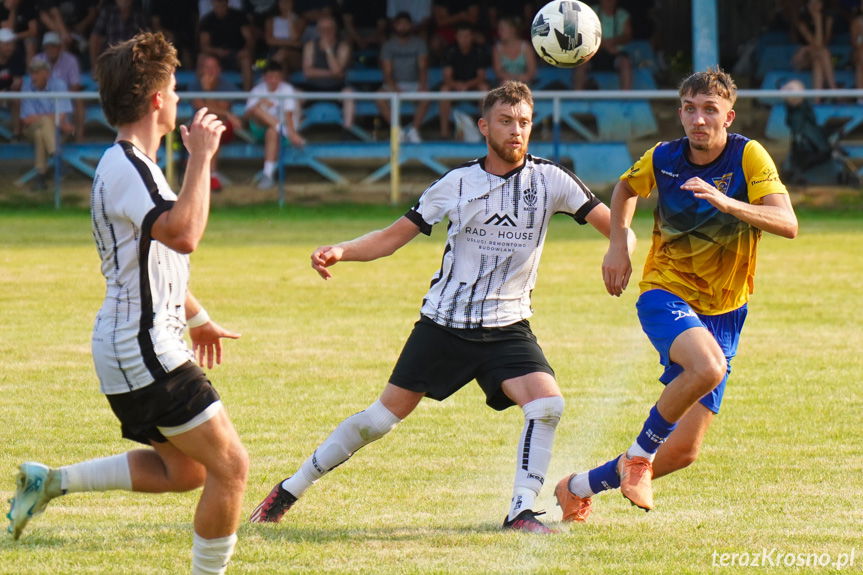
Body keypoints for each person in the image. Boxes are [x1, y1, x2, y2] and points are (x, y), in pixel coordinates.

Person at [249, 80, 619, 534]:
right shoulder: (457, 183)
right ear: (484, 127)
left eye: (524, 122)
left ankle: (520, 511)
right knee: (379, 421)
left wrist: (620, 249)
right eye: (505, 121)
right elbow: (391, 238)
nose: (516, 131)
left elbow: (615, 225)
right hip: (445, 325)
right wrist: (342, 250)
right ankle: (290, 488)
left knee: (547, 405)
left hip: (507, 327)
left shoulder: (551, 180)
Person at [6, 32, 249, 575]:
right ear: (158, 99)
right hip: (142, 345)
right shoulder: (129, 167)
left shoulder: (130, 164)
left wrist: (198, 317)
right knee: (231, 467)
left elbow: (152, 262)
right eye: (175, 88)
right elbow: (183, 234)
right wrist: (201, 159)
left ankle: (51, 482)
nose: (179, 98)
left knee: (186, 472)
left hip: (132, 343)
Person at [554, 67, 798, 523]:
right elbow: (626, 187)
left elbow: (788, 223)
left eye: (710, 110)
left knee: (684, 451)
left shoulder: (748, 156)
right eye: (689, 109)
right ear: (680, 113)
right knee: (708, 367)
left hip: (726, 311)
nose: (698, 119)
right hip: (666, 292)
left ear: (728, 116)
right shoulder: (663, 156)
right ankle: (640, 456)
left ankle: (577, 487)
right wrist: (618, 244)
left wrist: (728, 202)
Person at [244, 59, 305, 189]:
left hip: (278, 133)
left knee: (272, 131)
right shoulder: (257, 90)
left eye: (276, 77)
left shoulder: (287, 89)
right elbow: (247, 116)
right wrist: (260, 103)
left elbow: (288, 115)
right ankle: (284, 131)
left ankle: (267, 175)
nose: (273, 80)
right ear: (264, 77)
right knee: (256, 110)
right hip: (259, 128)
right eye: (270, 77)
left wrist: (290, 130)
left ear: (281, 77)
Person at [20, 57, 74, 191]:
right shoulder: (26, 87)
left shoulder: (59, 85)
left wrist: (44, 119)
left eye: (36, 72)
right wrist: (50, 118)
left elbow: (62, 115)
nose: (33, 77)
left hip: (56, 130)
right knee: (44, 123)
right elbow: (27, 120)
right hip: (32, 129)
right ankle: (57, 156)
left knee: (40, 134)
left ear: (46, 73)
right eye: (32, 73)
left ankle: (40, 178)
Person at [190, 54, 243, 191]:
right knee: (208, 129)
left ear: (219, 69)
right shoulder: (195, 85)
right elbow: (202, 108)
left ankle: (212, 176)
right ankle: (210, 176)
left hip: (223, 129)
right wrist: (227, 114)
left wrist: (207, 91)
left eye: (213, 67)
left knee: (214, 128)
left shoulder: (226, 85)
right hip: (199, 128)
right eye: (207, 67)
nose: (210, 71)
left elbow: (217, 112)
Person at [377, 10, 429, 143]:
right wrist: (394, 88)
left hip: (414, 83)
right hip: (393, 84)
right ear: (394, 26)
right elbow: (387, 72)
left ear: (411, 25)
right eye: (399, 24)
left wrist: (422, 86)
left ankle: (414, 131)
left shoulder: (419, 43)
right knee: (379, 97)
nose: (403, 27)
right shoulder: (388, 45)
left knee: (426, 95)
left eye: (406, 24)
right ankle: (398, 131)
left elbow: (422, 67)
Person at [299, 14, 355, 130]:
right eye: (323, 29)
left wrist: (329, 50)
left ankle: (348, 130)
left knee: (349, 93)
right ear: (318, 31)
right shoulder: (310, 46)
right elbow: (308, 72)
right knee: (294, 94)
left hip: (336, 88)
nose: (326, 31)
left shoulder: (343, 46)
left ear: (335, 30)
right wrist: (332, 74)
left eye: (330, 28)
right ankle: (295, 131)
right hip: (313, 88)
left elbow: (337, 70)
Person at [439, 23, 489, 139]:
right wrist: (457, 85)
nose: (464, 39)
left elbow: (481, 77)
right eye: (461, 36)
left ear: (472, 37)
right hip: (454, 87)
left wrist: (467, 85)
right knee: (444, 89)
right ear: (456, 37)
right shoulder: (450, 51)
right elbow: (447, 77)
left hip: (473, 86)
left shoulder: (479, 51)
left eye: (467, 36)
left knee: (484, 88)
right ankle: (444, 133)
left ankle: (484, 131)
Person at [34, 30, 85, 141]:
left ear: (60, 47)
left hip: (65, 98)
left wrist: (61, 98)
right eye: (48, 47)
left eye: (54, 46)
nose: (51, 49)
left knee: (79, 99)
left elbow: (75, 85)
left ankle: (79, 137)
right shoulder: (37, 60)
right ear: (44, 48)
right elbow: (34, 83)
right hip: (43, 97)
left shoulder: (71, 60)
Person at [573, 0, 633, 91]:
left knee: (625, 63)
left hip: (616, 54)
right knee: (581, 62)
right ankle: (577, 96)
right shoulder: (591, 12)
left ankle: (625, 97)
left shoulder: (623, 15)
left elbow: (627, 36)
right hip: (593, 53)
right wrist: (603, 45)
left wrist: (613, 41)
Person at [198, 0, 254, 90]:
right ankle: (201, 92)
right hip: (215, 56)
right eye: (217, 3)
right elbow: (204, 45)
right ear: (213, 4)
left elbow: (249, 39)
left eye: (222, 4)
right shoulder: (207, 20)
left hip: (236, 55)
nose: (220, 6)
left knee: (246, 59)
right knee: (202, 58)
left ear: (227, 3)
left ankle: (247, 94)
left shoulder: (239, 16)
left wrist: (245, 50)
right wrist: (217, 51)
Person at [792, 0, 838, 98]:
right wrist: (817, 20)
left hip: (819, 56)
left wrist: (819, 20)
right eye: (812, 3)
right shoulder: (801, 22)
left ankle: (817, 100)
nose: (815, 6)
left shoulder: (828, 19)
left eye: (817, 3)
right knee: (823, 52)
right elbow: (816, 44)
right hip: (805, 58)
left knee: (818, 61)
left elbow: (824, 43)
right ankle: (834, 89)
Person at [491, 16, 536, 87]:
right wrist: (511, 79)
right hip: (504, 84)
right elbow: (498, 72)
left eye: (502, 29)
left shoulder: (526, 47)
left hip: (525, 83)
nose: (499, 32)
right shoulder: (497, 48)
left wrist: (522, 78)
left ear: (512, 30)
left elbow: (531, 71)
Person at [264, 0, 306, 75]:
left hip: (295, 53)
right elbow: (269, 40)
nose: (285, 4)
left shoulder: (300, 20)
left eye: (288, 2)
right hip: (276, 51)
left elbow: (295, 37)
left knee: (283, 53)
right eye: (282, 2)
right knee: (283, 63)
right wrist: (292, 43)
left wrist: (290, 19)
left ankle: (267, 69)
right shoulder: (271, 20)